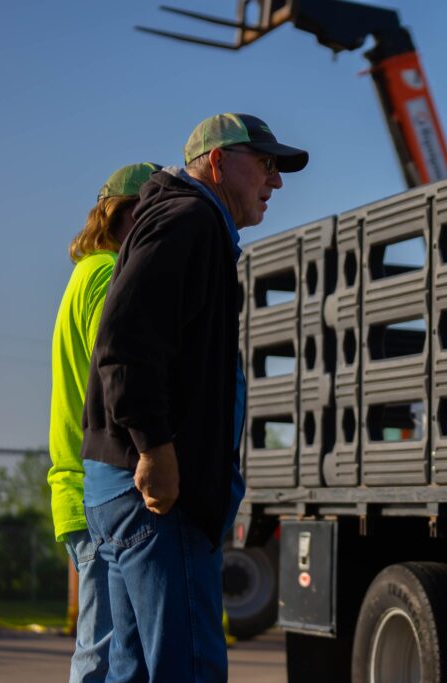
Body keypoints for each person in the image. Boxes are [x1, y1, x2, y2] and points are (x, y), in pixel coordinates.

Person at [80, 113, 308, 682]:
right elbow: (124, 338)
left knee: (131, 671)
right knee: (189, 669)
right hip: (157, 499)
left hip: (125, 490)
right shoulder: (190, 220)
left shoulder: (179, 222)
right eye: (265, 163)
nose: (275, 181)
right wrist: (155, 447)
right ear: (217, 162)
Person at [48, 162, 161, 683]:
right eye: (153, 208)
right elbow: (118, 369)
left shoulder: (82, 273)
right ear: (125, 214)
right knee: (104, 651)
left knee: (103, 647)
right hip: (98, 483)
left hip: (78, 486)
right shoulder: (105, 274)